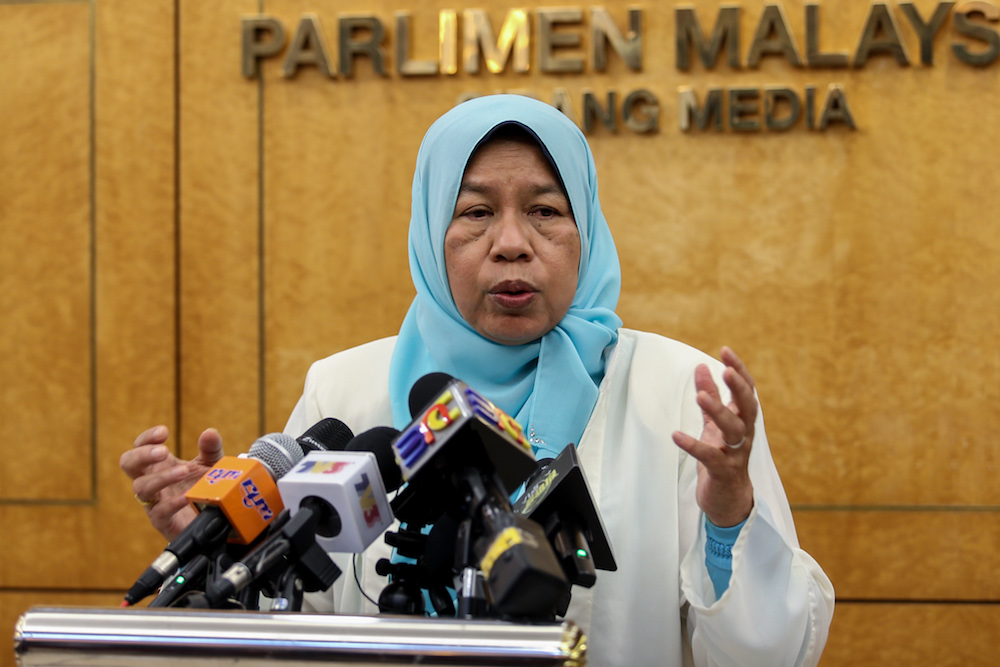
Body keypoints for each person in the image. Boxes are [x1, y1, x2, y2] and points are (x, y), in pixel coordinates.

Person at [122, 94, 834, 666]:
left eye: (546, 211)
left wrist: (729, 515)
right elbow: (296, 636)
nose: (513, 242)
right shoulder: (344, 390)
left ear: (587, 230)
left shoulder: (683, 393)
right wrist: (222, 558)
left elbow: (767, 652)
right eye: (476, 212)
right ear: (432, 234)